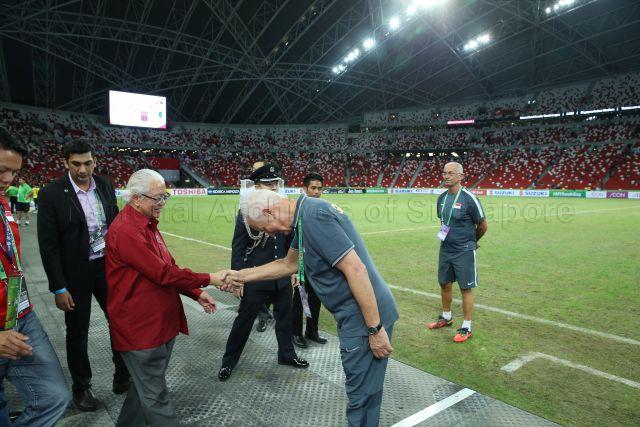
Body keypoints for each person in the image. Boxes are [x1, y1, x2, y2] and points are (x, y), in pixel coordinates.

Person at [223, 189, 399, 427]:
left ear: (268, 212)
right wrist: (242, 275)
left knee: (362, 395)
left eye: (264, 228)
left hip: (364, 317)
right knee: (365, 391)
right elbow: (288, 264)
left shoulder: (313, 216)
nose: (269, 233)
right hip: (361, 314)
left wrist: (375, 329)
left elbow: (356, 270)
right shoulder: (304, 217)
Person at [106, 169, 226, 426]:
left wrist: (196, 293)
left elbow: (168, 265)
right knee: (156, 397)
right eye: (157, 198)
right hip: (141, 329)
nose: (162, 203)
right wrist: (210, 278)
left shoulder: (145, 224)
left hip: (157, 324)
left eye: (165, 197)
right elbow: (162, 273)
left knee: (144, 390)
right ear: (136, 198)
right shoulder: (127, 231)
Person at [37, 140, 130, 411]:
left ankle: (122, 376)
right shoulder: (52, 193)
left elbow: (114, 225)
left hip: (106, 268)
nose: (82, 169)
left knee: (120, 321)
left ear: (95, 161)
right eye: (76, 163)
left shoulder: (104, 185)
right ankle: (82, 388)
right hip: (74, 274)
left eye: (87, 162)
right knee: (77, 332)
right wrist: (58, 287)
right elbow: (49, 245)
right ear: (66, 163)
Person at [0, 127, 71, 425]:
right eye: (2, 170)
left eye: (13, 173)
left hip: (19, 314)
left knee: (54, 396)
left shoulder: (3, 202)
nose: (7, 180)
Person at [218, 164, 308, 382]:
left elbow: (291, 242)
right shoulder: (247, 211)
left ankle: (286, 354)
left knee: (284, 318)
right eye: (269, 183)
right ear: (257, 186)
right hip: (256, 275)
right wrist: (239, 279)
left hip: (282, 275)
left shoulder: (282, 208)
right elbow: (238, 248)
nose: (275, 187)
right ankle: (228, 362)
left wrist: (296, 271)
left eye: (276, 183)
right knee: (244, 320)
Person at [428, 162, 488, 343]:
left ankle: (467, 327)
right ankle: (447, 317)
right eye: (444, 173)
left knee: (465, 288)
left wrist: (471, 242)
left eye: (451, 173)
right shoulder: (442, 198)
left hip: (464, 251)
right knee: (444, 283)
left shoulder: (470, 199)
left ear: (461, 177)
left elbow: (483, 225)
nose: (446, 176)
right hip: (445, 249)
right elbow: (444, 222)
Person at [291, 172, 326, 348]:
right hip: (302, 263)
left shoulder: (320, 205)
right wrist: (295, 267)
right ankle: (296, 333)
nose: (316, 191)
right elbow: (294, 235)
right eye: (313, 188)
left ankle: (312, 331)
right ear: (304, 189)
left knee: (315, 298)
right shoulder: (300, 206)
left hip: (317, 263)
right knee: (300, 299)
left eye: (319, 188)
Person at [250, 161, 274, 333]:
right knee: (253, 296)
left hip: (273, 258)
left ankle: (265, 312)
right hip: (254, 258)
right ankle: (262, 314)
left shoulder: (277, 199)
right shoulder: (248, 197)